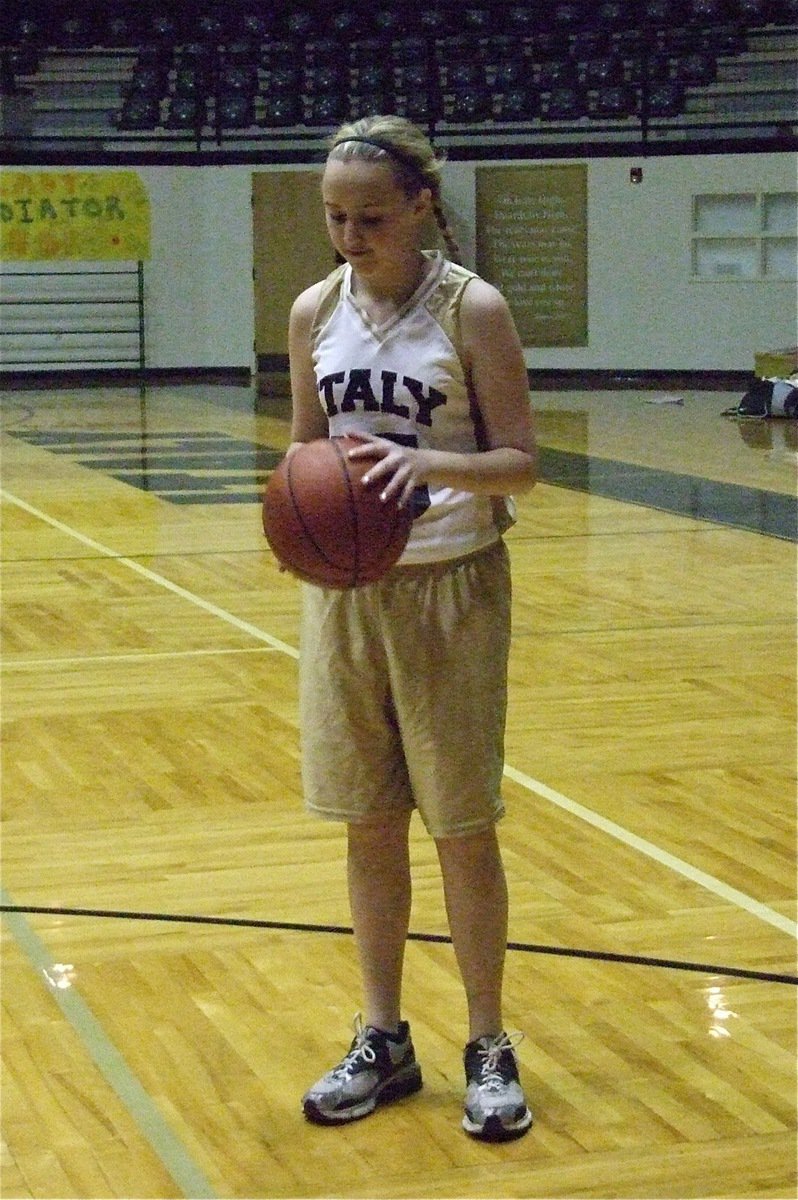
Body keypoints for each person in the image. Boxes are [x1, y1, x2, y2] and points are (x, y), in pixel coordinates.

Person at [285, 114, 537, 1142]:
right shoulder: (312, 310)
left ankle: (487, 1042)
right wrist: (298, 521)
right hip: (345, 597)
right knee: (367, 821)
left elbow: (520, 460)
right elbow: (307, 452)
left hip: (452, 587)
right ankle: (384, 1038)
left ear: (423, 205)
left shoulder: (471, 309)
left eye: (372, 217)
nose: (351, 235)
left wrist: (429, 466)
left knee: (461, 828)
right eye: (337, 217)